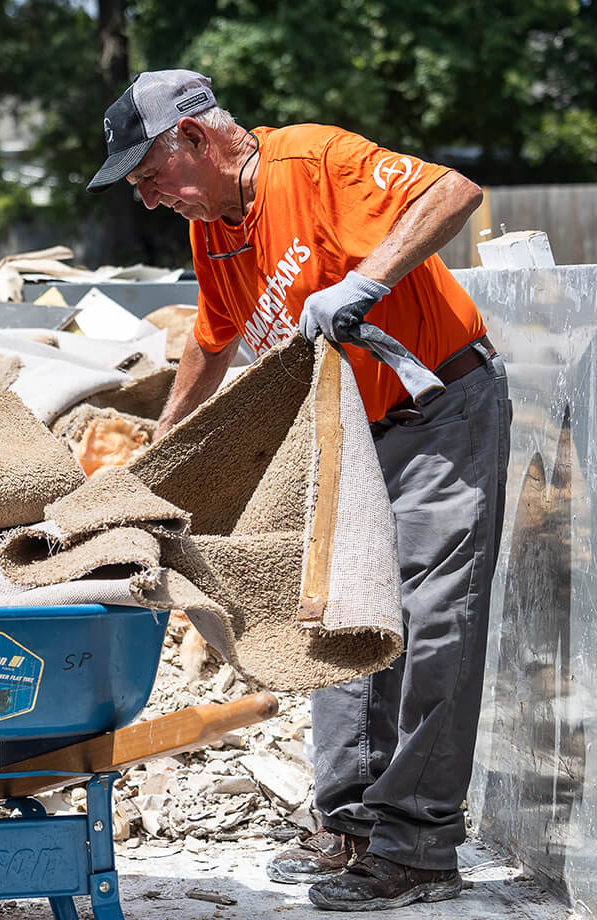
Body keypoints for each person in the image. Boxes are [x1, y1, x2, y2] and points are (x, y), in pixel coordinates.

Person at [88, 70, 511, 911]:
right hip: (347, 433)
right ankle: (349, 825)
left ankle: (419, 847)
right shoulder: (215, 228)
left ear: (199, 142)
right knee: (337, 612)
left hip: (436, 409)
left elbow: (455, 190)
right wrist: (164, 450)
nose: (147, 200)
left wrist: (367, 280)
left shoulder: (313, 161)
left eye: (150, 177)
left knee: (432, 621)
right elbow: (212, 340)